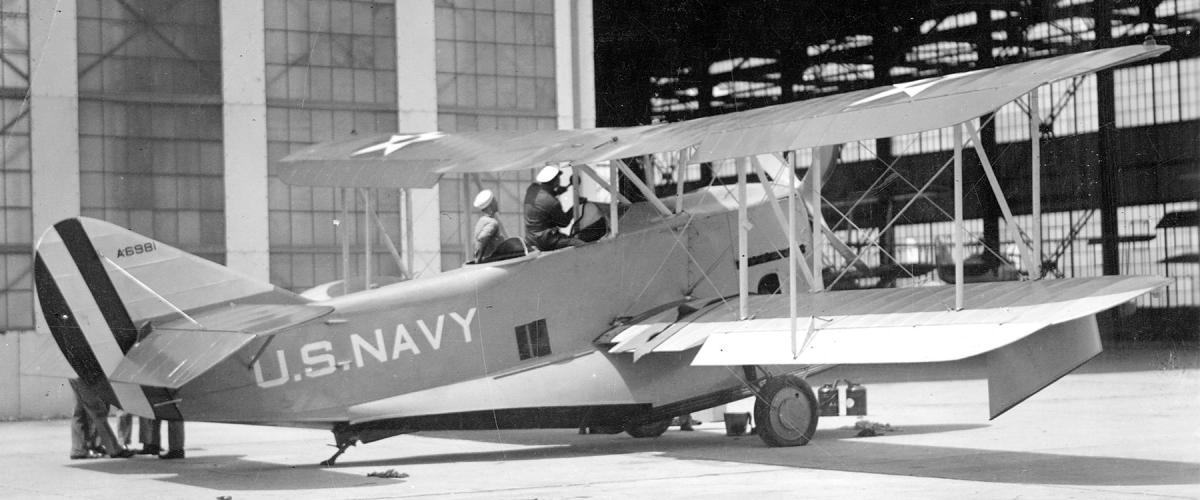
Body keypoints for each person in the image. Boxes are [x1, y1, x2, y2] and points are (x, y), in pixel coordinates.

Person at [524, 166, 585, 251]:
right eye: (558, 178)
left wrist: (555, 192)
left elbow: (543, 198)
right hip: (545, 241)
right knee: (580, 244)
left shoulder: (532, 188)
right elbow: (564, 223)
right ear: (556, 181)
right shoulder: (553, 203)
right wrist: (575, 206)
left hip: (531, 239)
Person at [69, 379, 134, 459]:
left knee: (79, 411)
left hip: (73, 374)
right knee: (97, 411)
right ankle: (114, 449)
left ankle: (78, 449)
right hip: (85, 373)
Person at [472, 189, 508, 262]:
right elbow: (482, 239)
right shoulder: (492, 223)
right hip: (492, 263)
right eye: (494, 200)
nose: (497, 202)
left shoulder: (481, 221)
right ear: (491, 205)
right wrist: (478, 260)